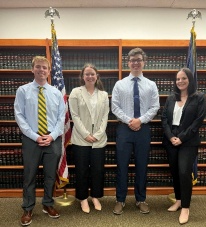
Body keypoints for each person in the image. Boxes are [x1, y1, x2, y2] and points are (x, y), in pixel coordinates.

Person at [14, 56, 65, 226]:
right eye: (38, 67)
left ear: (49, 71)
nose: (41, 70)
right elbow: (19, 116)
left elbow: (60, 118)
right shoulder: (23, 91)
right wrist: (35, 136)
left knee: (50, 176)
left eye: (44, 67)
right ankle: (28, 208)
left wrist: (52, 136)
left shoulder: (56, 93)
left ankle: (47, 204)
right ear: (32, 69)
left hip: (53, 139)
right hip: (31, 139)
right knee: (29, 175)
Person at [111, 48, 160, 215]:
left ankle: (141, 199)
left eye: (139, 59)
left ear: (143, 62)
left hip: (143, 129)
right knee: (122, 166)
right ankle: (120, 200)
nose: (136, 63)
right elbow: (115, 107)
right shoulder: (120, 84)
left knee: (142, 166)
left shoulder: (151, 85)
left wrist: (141, 120)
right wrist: (129, 121)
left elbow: (155, 107)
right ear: (128, 62)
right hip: (124, 129)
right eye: (133, 60)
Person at [161, 68, 206, 224]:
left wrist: (181, 138)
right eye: (178, 79)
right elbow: (164, 120)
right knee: (175, 172)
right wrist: (170, 136)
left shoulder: (199, 97)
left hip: (188, 142)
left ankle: (186, 208)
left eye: (183, 78)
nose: (180, 81)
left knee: (184, 172)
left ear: (190, 80)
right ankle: (179, 200)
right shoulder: (171, 98)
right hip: (171, 141)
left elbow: (198, 121)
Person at [68, 63, 109, 213]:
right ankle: (83, 198)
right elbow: (75, 115)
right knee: (82, 170)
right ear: (82, 77)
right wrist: (86, 134)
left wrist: (98, 134)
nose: (90, 76)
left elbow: (105, 116)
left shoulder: (103, 94)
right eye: (87, 74)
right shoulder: (75, 92)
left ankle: (96, 197)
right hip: (80, 138)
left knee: (98, 170)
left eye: (92, 74)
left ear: (97, 76)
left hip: (99, 139)